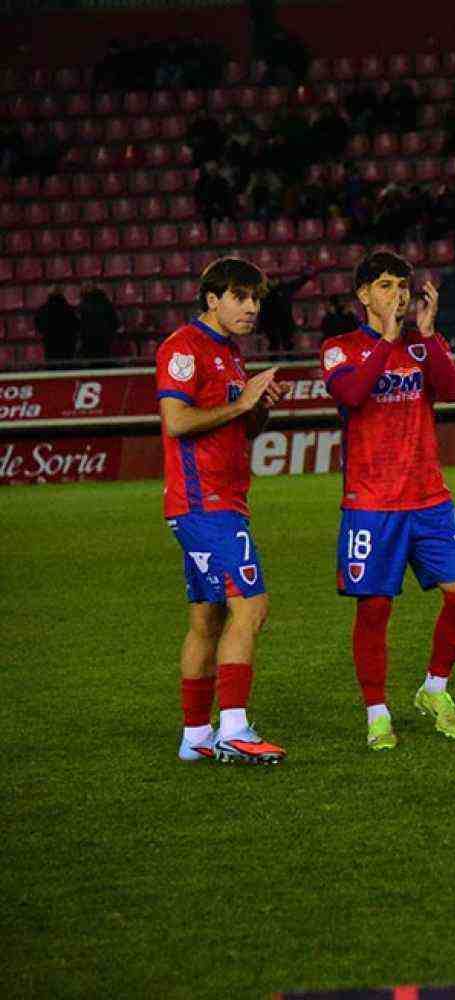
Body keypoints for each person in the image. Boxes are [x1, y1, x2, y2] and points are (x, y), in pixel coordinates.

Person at [320, 252, 455, 751]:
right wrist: (386, 340)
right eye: (386, 286)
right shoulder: (339, 348)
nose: (398, 295)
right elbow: (351, 394)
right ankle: (377, 712)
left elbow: (452, 390)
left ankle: (434, 689)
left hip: (429, 498)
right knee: (375, 608)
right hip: (371, 504)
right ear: (364, 295)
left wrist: (428, 337)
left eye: (403, 286)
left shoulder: (421, 346)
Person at [155, 257, 288, 764]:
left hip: (221, 501)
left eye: (255, 299)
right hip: (203, 504)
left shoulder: (230, 354)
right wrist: (240, 403)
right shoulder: (182, 348)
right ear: (212, 299)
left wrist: (258, 406)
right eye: (240, 297)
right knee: (251, 606)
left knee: (207, 619)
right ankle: (234, 728)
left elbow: (242, 429)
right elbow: (177, 421)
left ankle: (196, 737)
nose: (251, 308)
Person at [35, 289, 79, 362]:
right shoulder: (70, 310)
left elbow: (39, 328)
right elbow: (77, 327)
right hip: (68, 349)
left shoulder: (43, 310)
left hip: (50, 349)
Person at [78, 285, 120, 359]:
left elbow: (80, 324)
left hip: (89, 340)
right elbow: (115, 323)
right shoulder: (107, 304)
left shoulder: (84, 305)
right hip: (105, 339)